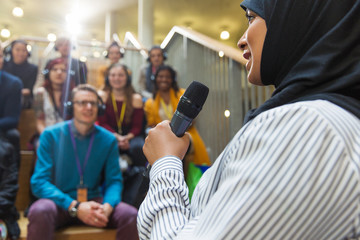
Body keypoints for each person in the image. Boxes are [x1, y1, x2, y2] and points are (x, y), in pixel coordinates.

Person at [137, 0, 360, 239]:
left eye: (251, 17)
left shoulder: (307, 129)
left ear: (295, 21)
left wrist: (165, 164)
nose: (241, 40)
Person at [27, 84, 138, 240]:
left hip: (94, 203)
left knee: (130, 215)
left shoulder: (108, 140)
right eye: (82, 103)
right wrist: (75, 206)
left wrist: (107, 206)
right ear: (71, 107)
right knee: (40, 210)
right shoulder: (50, 135)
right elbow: (39, 182)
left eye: (93, 103)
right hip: (60, 202)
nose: (88, 107)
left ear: (99, 109)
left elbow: (114, 181)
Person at [144, 65, 211, 171]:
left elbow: (192, 119)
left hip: (186, 132)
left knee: (182, 145)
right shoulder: (149, 102)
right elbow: (152, 124)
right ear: (155, 78)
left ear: (172, 79)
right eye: (161, 76)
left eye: (167, 77)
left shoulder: (183, 94)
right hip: (163, 135)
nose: (164, 79)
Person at [97, 64, 147, 207]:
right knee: (103, 146)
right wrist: (116, 137)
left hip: (130, 135)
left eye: (120, 75)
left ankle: (136, 192)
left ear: (127, 78)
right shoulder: (103, 95)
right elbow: (101, 123)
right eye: (113, 75)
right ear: (108, 78)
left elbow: (138, 127)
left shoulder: (135, 98)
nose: (116, 78)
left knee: (139, 147)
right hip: (108, 133)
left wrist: (126, 138)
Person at [0, 45, 22, 240]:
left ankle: (6, 206)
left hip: (3, 133)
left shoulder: (13, 83)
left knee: (13, 137)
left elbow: (12, 119)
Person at [3, 39, 38, 109]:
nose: (21, 53)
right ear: (11, 51)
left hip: (23, 104)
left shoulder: (33, 68)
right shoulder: (4, 65)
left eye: (24, 50)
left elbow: (28, 90)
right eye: (17, 50)